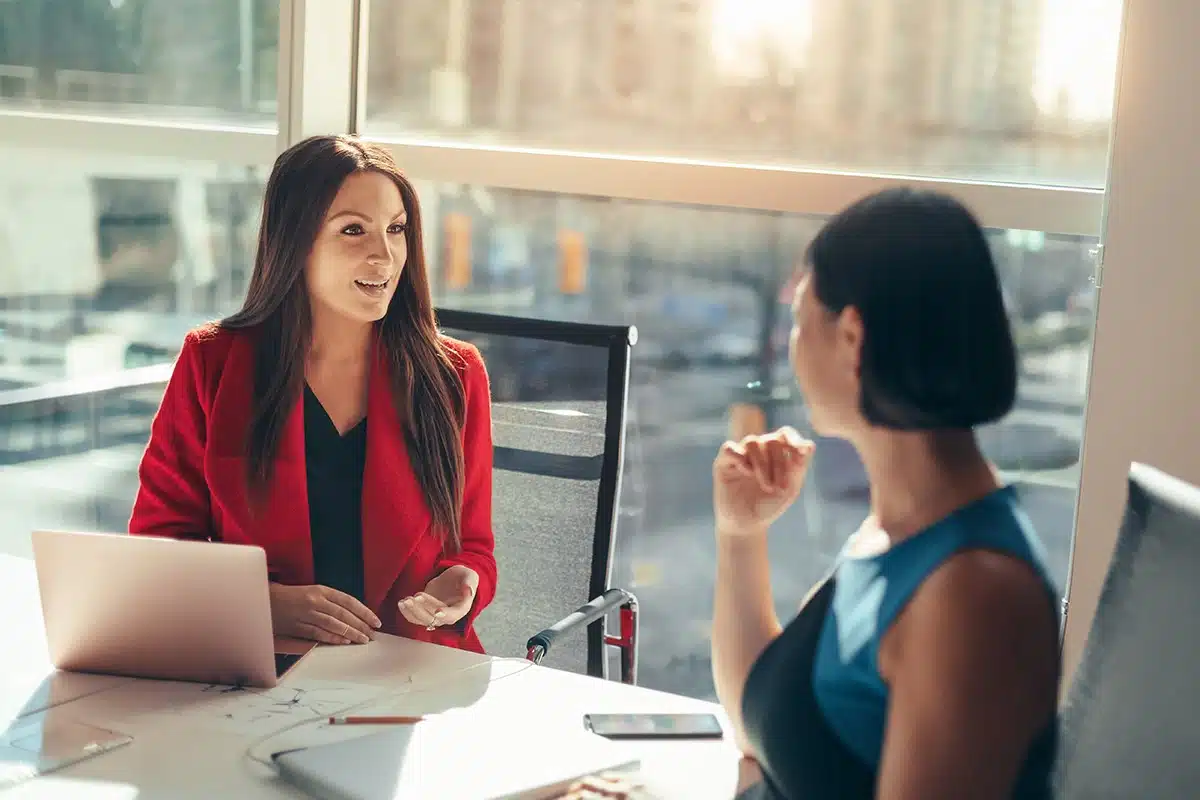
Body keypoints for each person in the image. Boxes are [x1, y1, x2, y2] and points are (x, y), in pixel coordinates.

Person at [712, 189, 1061, 799]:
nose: (791, 348)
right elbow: (767, 729)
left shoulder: (972, 593)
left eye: (800, 320)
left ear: (852, 336)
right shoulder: (895, 529)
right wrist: (740, 534)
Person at [129, 135, 497, 654]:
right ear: (295, 242)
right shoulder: (212, 363)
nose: (385, 255)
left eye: (396, 230)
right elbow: (158, 545)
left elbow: (473, 545)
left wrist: (463, 583)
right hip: (260, 664)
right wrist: (265, 600)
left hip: (408, 670)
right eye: (353, 230)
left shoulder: (455, 375)